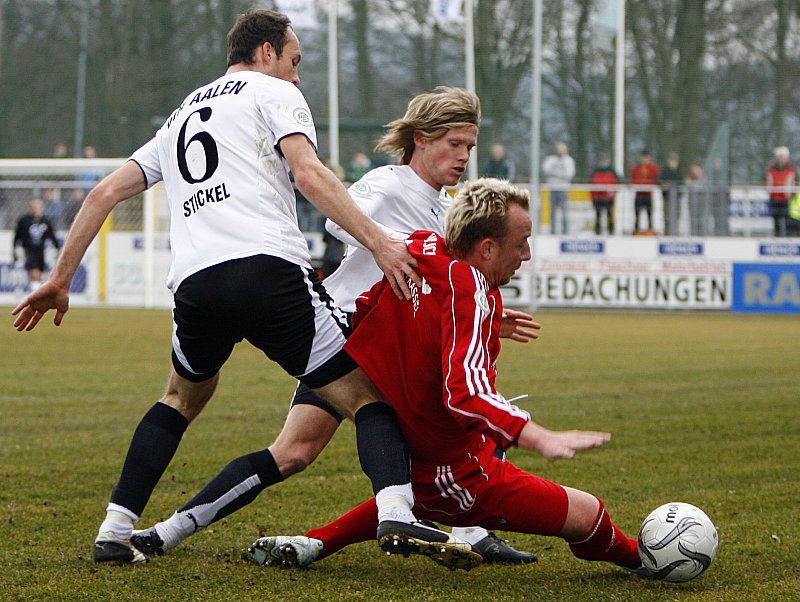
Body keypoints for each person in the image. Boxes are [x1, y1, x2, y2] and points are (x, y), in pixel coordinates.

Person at [12, 9, 459, 567]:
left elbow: (104, 192)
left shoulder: (180, 115)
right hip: (268, 272)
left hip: (195, 285)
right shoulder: (273, 94)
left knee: (180, 397)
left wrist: (59, 278)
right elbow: (309, 174)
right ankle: (396, 511)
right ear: (267, 52)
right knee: (368, 394)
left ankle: (115, 527)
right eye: (295, 61)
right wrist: (382, 242)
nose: (297, 76)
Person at [128, 87, 541, 566]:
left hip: (391, 347)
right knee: (295, 451)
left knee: (316, 448)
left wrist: (480, 316)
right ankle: (168, 531)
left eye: (469, 146)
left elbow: (438, 284)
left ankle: (464, 528)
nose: (464, 156)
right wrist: (410, 245)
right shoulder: (388, 183)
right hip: (345, 333)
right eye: (454, 143)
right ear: (421, 140)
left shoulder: (445, 207)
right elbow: (339, 224)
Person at [248, 179, 652, 579]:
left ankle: (314, 542)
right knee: (590, 513)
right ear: (488, 247)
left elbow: (373, 304)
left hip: (414, 455)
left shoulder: (425, 248)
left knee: (424, 489)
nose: (527, 254)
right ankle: (648, 561)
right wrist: (536, 435)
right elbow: (465, 395)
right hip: (457, 475)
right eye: (522, 242)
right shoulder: (473, 292)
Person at [13, 197, 60, 291]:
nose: (36, 209)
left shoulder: (46, 221)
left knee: (39, 275)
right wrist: (15, 249)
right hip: (29, 250)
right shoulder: (24, 221)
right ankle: (35, 294)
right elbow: (17, 236)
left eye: (38, 206)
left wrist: (57, 249)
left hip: (41, 251)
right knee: (34, 273)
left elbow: (52, 236)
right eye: (34, 206)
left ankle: (36, 292)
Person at [542, 141, 575, 234]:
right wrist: (558, 172)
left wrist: (556, 172)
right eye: (559, 149)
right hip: (553, 188)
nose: (560, 151)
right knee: (552, 212)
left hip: (564, 189)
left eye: (562, 149)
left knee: (565, 212)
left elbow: (569, 174)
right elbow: (546, 170)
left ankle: (565, 232)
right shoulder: (551, 159)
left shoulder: (569, 161)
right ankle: (552, 231)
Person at [766, 146, 796, 237]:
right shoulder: (771, 171)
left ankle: (789, 237)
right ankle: (777, 237)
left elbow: (794, 183)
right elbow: (768, 183)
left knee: (788, 220)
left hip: (786, 200)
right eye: (779, 157)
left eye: (783, 157)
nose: (781, 159)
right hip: (775, 199)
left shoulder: (791, 171)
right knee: (776, 221)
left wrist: (791, 194)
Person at [630, 151, 659, 233]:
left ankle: (650, 228)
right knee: (637, 211)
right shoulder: (636, 167)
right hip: (639, 193)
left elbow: (654, 178)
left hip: (648, 193)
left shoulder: (652, 167)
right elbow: (633, 178)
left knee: (649, 212)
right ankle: (636, 228)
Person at [589, 156, 619, 235]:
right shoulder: (595, 171)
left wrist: (612, 195)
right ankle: (597, 230)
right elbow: (591, 184)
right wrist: (593, 196)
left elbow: (615, 183)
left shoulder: (612, 171)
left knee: (609, 214)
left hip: (608, 197)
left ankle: (611, 230)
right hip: (598, 197)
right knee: (598, 215)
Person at [659, 153, 682, 236]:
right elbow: (659, 181)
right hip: (667, 198)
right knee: (667, 216)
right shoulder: (665, 172)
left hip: (676, 198)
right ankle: (667, 233)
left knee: (676, 216)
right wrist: (664, 185)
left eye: (674, 161)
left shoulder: (679, 172)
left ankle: (675, 232)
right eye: (671, 161)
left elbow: (682, 183)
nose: (673, 163)